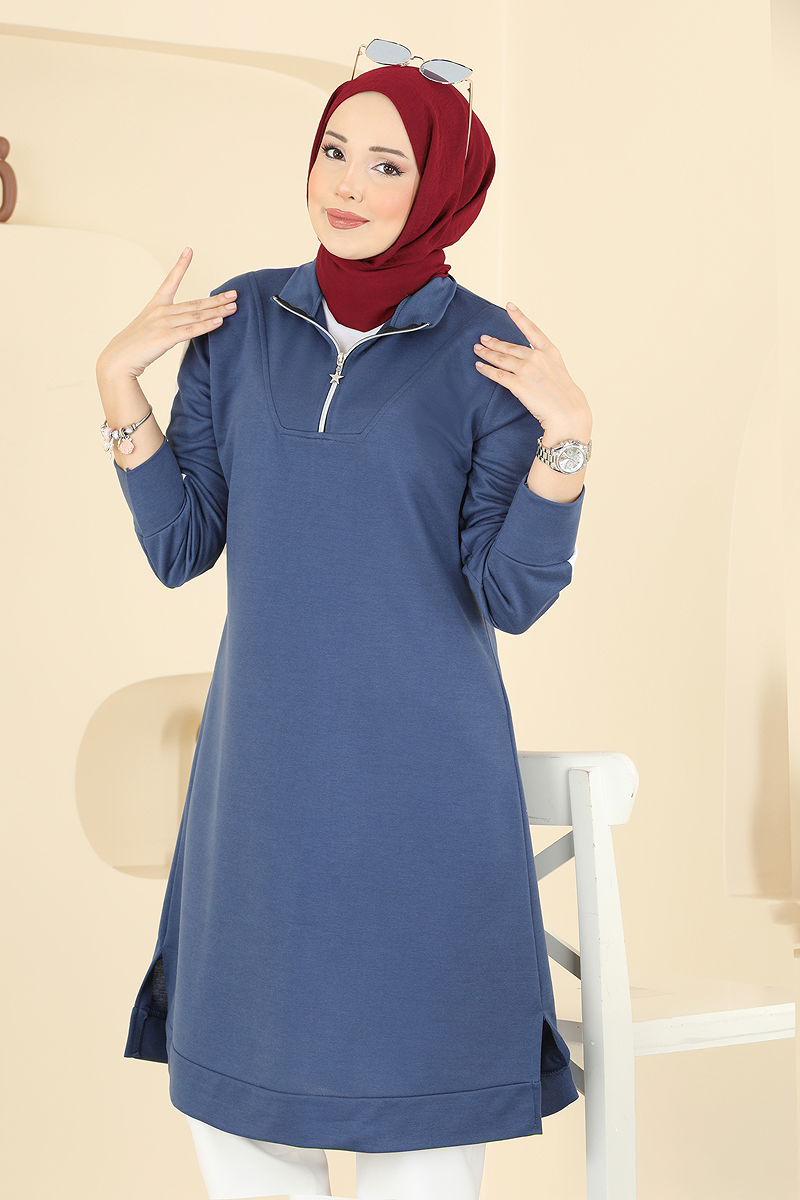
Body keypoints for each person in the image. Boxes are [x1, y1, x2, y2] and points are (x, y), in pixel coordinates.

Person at [96, 53, 592, 1200]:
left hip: (424, 805)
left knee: (423, 1105)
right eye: (333, 151)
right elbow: (181, 546)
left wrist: (563, 441)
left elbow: (509, 593)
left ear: (439, 191)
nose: (349, 184)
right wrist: (120, 385)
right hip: (258, 800)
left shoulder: (486, 355)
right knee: (241, 1107)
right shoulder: (235, 326)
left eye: (387, 164)